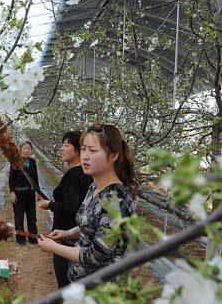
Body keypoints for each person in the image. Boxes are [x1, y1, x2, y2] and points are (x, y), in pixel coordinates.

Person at [37, 124, 136, 285]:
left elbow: (97, 256)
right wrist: (68, 233)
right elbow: (92, 223)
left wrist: (54, 247)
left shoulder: (116, 201)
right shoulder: (94, 187)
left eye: (93, 150)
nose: (85, 156)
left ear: (113, 156)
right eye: (83, 149)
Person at [37, 131, 93, 290]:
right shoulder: (88, 174)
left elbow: (70, 207)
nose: (61, 149)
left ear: (78, 150)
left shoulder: (72, 176)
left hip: (67, 234)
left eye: (66, 145)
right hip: (81, 235)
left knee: (65, 280)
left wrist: (49, 205)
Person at [9, 141, 40, 245]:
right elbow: (11, 179)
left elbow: (35, 178)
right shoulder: (15, 162)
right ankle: (20, 237)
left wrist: (38, 192)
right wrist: (12, 192)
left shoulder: (32, 162)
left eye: (29, 148)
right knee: (19, 216)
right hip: (19, 193)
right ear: (20, 150)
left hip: (30, 193)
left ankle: (33, 237)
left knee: (32, 216)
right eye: (25, 148)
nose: (27, 150)